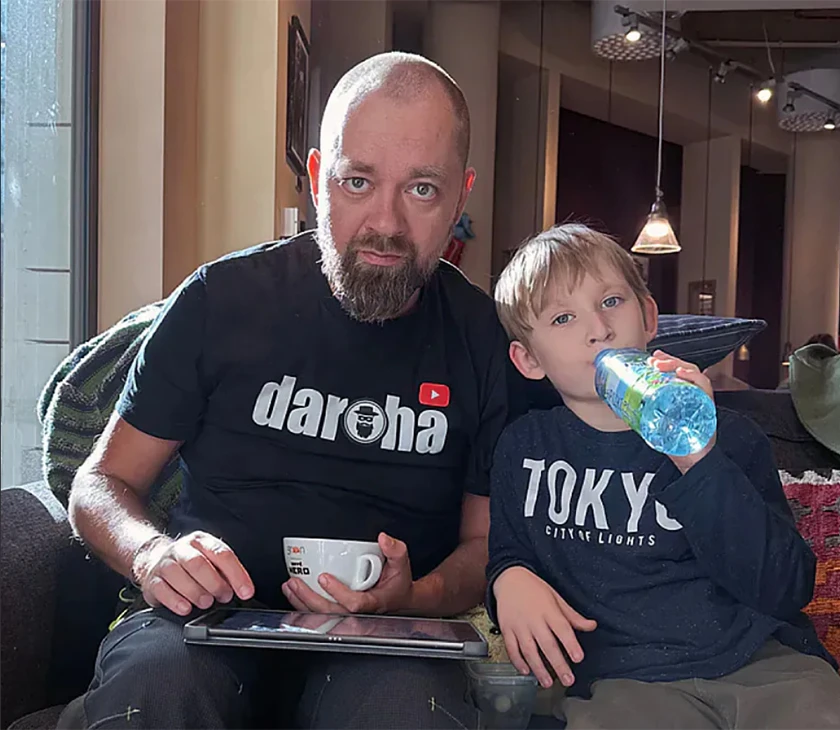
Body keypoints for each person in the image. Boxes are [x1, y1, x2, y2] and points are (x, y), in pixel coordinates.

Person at [59, 52, 511, 729]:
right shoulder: (220, 300)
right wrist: (152, 554)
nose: (386, 223)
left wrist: (414, 595)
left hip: (388, 640)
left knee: (405, 712)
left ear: (460, 195)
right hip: (203, 623)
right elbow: (100, 483)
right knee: (153, 691)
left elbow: (484, 545)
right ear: (318, 179)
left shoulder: (483, 338)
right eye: (357, 181)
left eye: (422, 188)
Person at [487, 224, 840, 729]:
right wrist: (508, 581)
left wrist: (698, 459)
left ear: (648, 317)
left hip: (762, 666)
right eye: (563, 317)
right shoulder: (525, 448)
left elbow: (786, 587)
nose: (599, 329)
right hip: (623, 683)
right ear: (528, 359)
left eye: (611, 301)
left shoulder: (731, 438)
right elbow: (507, 552)